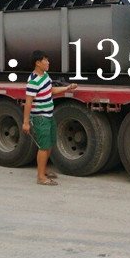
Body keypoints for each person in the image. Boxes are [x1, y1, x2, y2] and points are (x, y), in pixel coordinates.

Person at [22, 50, 78, 186]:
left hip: (49, 115)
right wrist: (26, 123)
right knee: (44, 146)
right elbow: (28, 102)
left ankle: (44, 170)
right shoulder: (33, 81)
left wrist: (67, 88)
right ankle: (41, 177)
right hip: (40, 117)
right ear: (38, 63)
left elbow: (50, 90)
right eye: (45, 60)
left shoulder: (45, 76)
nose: (48, 62)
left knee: (50, 144)